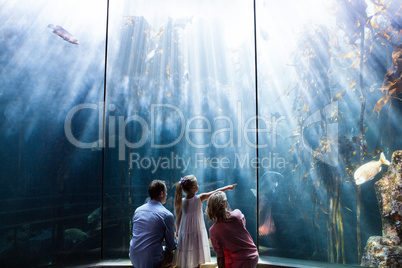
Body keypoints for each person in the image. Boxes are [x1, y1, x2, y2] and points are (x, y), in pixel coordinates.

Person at [173, 175, 237, 268]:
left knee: (186, 255)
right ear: (194, 188)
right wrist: (227, 187)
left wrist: (178, 231)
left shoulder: (181, 201)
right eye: (197, 184)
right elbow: (215, 193)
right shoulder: (199, 198)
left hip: (185, 231)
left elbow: (177, 219)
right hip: (196, 230)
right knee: (197, 255)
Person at [129, 180, 176, 268]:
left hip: (134, 257)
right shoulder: (166, 215)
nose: (166, 194)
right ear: (161, 193)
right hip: (152, 261)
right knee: (172, 254)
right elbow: (170, 245)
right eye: (166, 192)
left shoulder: (138, 210)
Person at [205, 191, 259, 268]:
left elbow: (220, 257)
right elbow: (244, 224)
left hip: (238, 260)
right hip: (252, 255)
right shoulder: (237, 214)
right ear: (226, 204)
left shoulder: (213, 230)